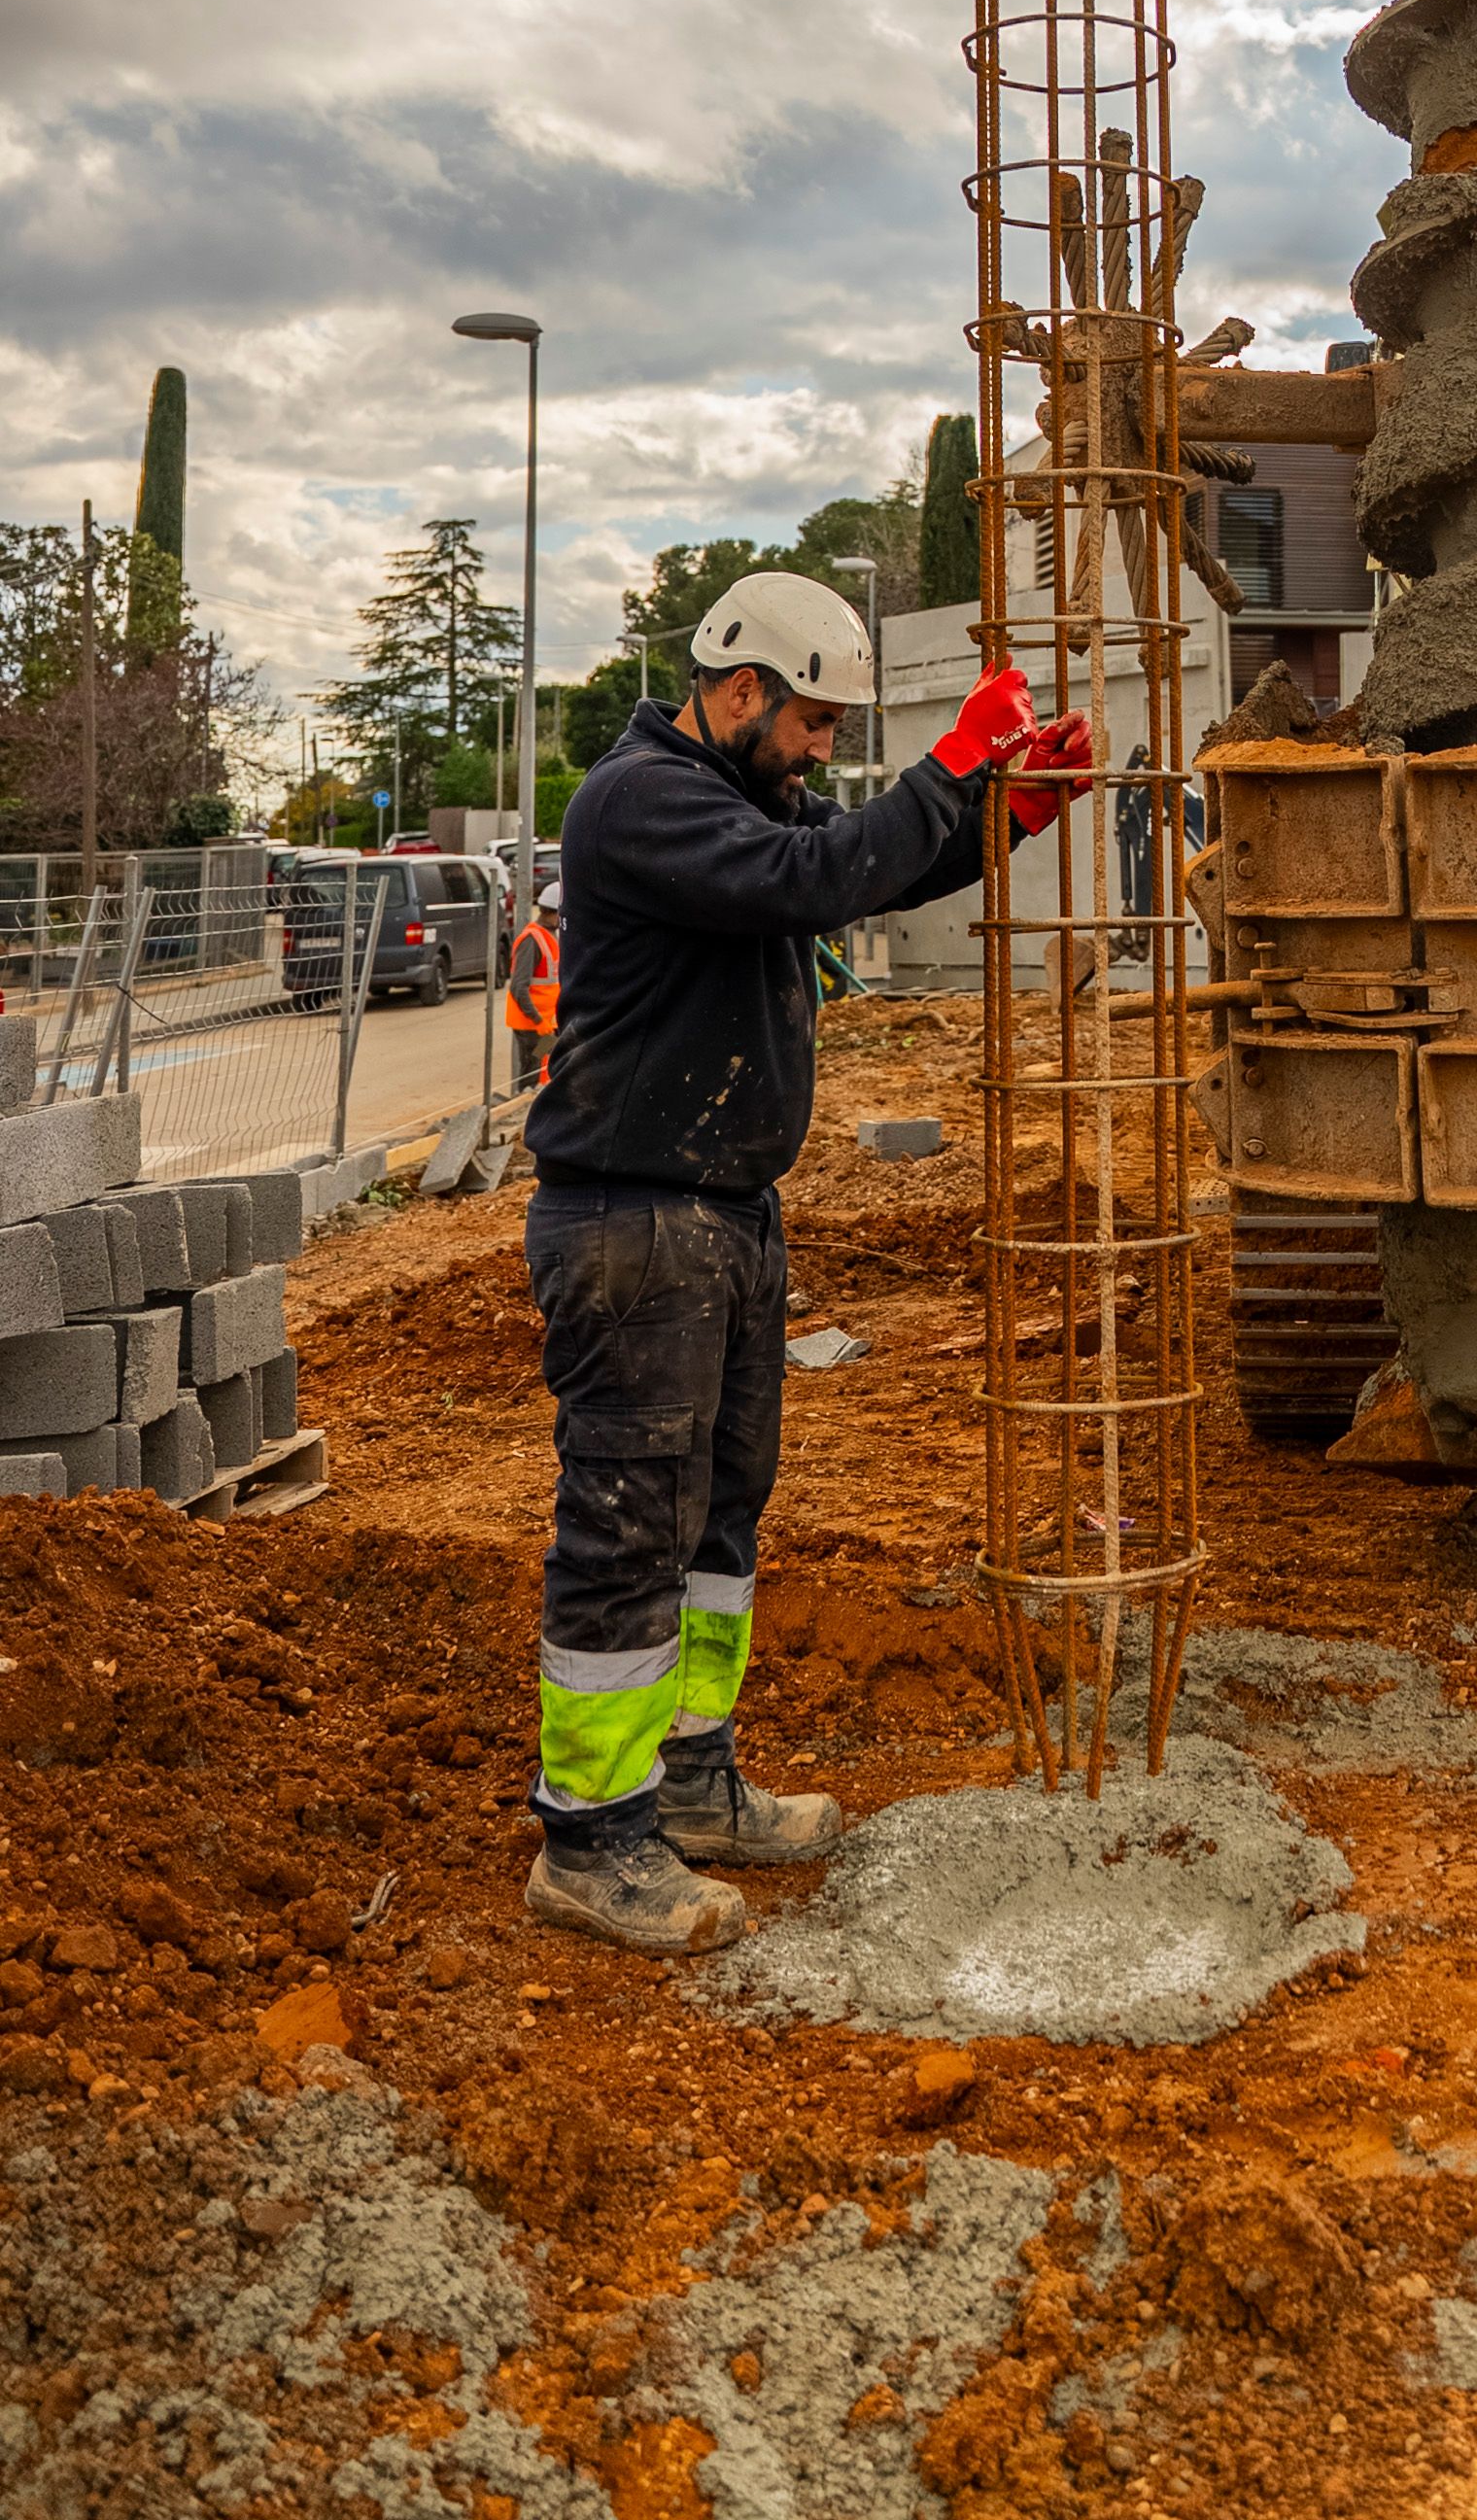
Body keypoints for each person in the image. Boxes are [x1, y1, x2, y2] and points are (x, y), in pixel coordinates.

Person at [518, 570, 1088, 1953]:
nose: (823, 748)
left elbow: (861, 861)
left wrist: (1002, 811)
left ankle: (689, 1782)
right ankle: (590, 1839)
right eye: (814, 722)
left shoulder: (741, 801)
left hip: (722, 1219)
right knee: (629, 1527)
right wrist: (953, 759)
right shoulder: (642, 802)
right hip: (634, 1223)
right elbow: (816, 876)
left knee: (717, 1518)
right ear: (739, 692)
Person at [504, 878, 562, 1091]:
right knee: (531, 1070)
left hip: (545, 1022)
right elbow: (518, 987)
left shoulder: (550, 936)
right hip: (530, 1024)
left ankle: (533, 1096)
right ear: (551, 912)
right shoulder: (532, 940)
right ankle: (525, 1098)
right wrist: (538, 1021)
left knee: (542, 1065)